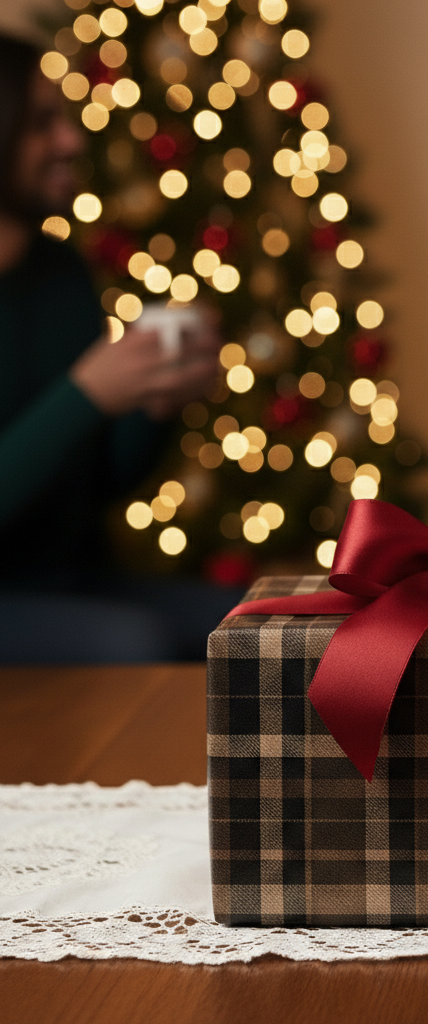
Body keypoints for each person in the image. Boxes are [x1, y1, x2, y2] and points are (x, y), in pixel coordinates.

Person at [0, 34, 230, 662]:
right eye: (43, 123)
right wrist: (87, 393)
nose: (72, 141)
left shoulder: (62, 273)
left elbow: (96, 484)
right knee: (134, 641)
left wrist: (154, 405)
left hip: (76, 583)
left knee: (262, 627)